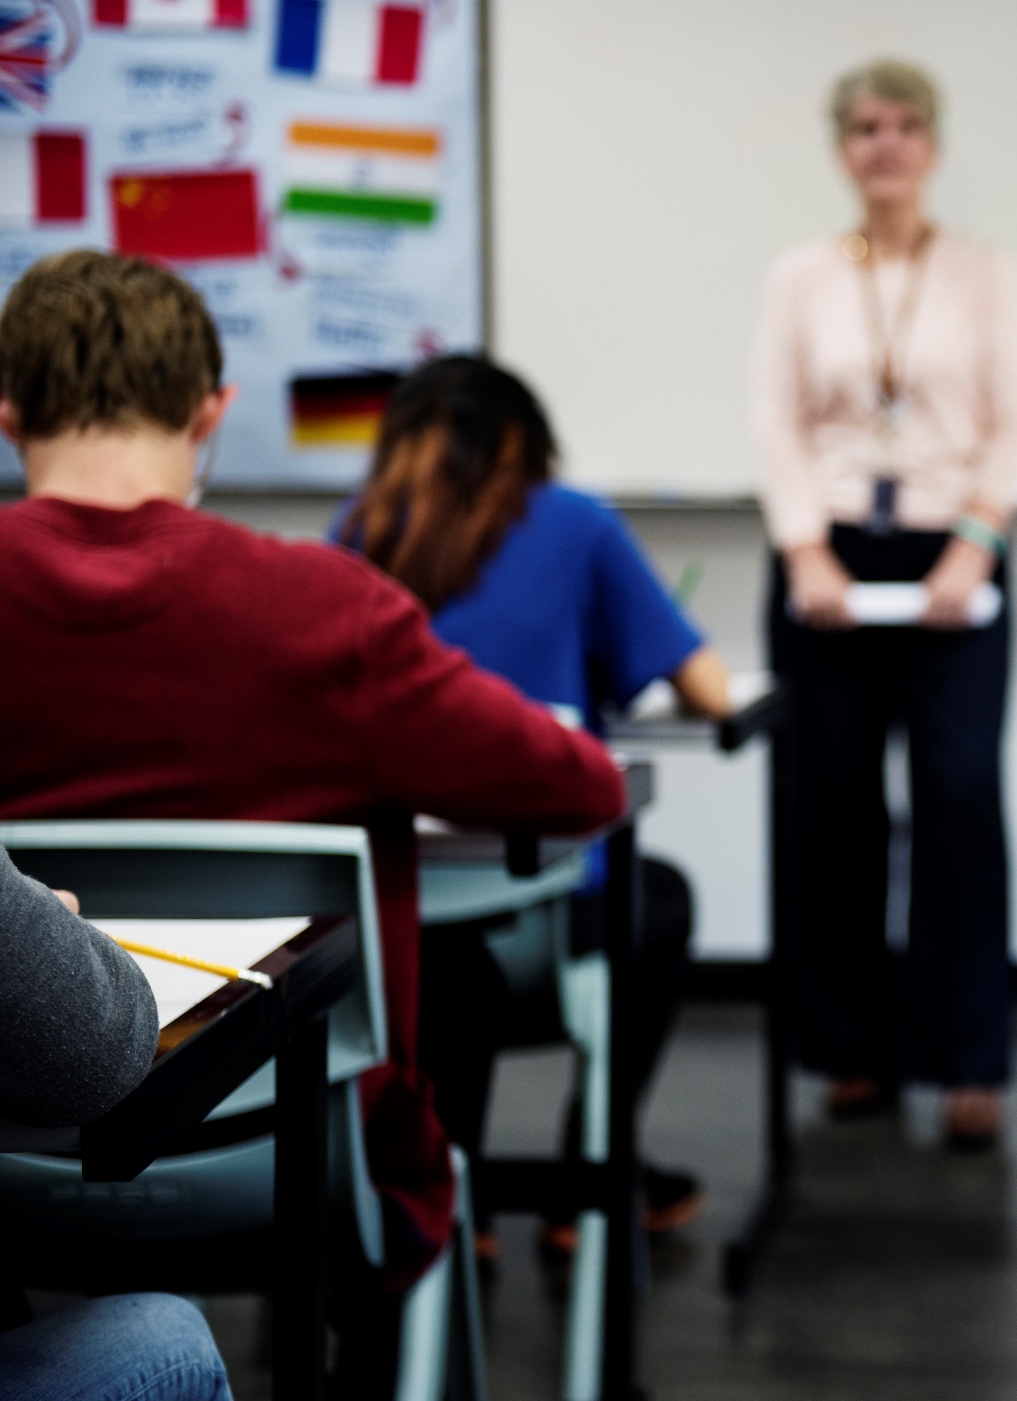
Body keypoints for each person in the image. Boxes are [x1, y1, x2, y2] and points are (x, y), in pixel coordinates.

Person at [0, 249, 625, 1387]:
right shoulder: (328, 612)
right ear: (213, 412)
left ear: (7, 417)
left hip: (15, 1161)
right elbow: (581, 789)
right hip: (308, 1159)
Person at [336, 354, 728, 1251]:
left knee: (444, 946)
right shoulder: (576, 523)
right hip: (537, 935)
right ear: (523, 444)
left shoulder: (354, 533)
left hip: (378, 930)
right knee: (657, 898)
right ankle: (587, 1175)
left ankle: (446, 1182)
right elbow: (705, 686)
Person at [753, 58, 1017, 1146]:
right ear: (843, 148)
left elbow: (1014, 421)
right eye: (866, 127)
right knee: (830, 807)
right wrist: (803, 551)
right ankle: (851, 1049)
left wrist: (975, 545)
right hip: (827, 553)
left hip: (954, 552)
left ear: (933, 145)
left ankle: (969, 1058)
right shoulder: (799, 276)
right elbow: (777, 422)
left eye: (905, 125)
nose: (886, 144)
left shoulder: (986, 273)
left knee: (959, 800)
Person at [0, 847, 232, 1401]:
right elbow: (92, 1047)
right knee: (171, 1342)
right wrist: (39, 931)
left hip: (27, 1203)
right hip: (253, 1172)